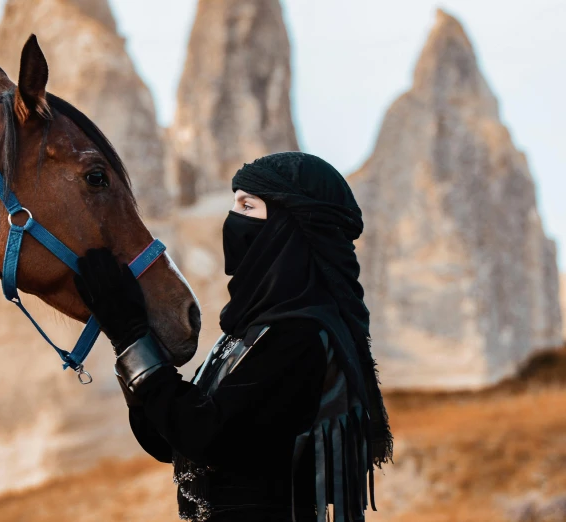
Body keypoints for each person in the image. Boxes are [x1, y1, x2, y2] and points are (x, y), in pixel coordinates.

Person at [73, 152, 393, 522]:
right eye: (233, 202)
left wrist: (132, 335)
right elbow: (168, 440)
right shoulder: (250, 335)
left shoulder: (302, 336)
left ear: (286, 226)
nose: (232, 219)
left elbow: (206, 435)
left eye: (247, 205)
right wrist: (126, 337)